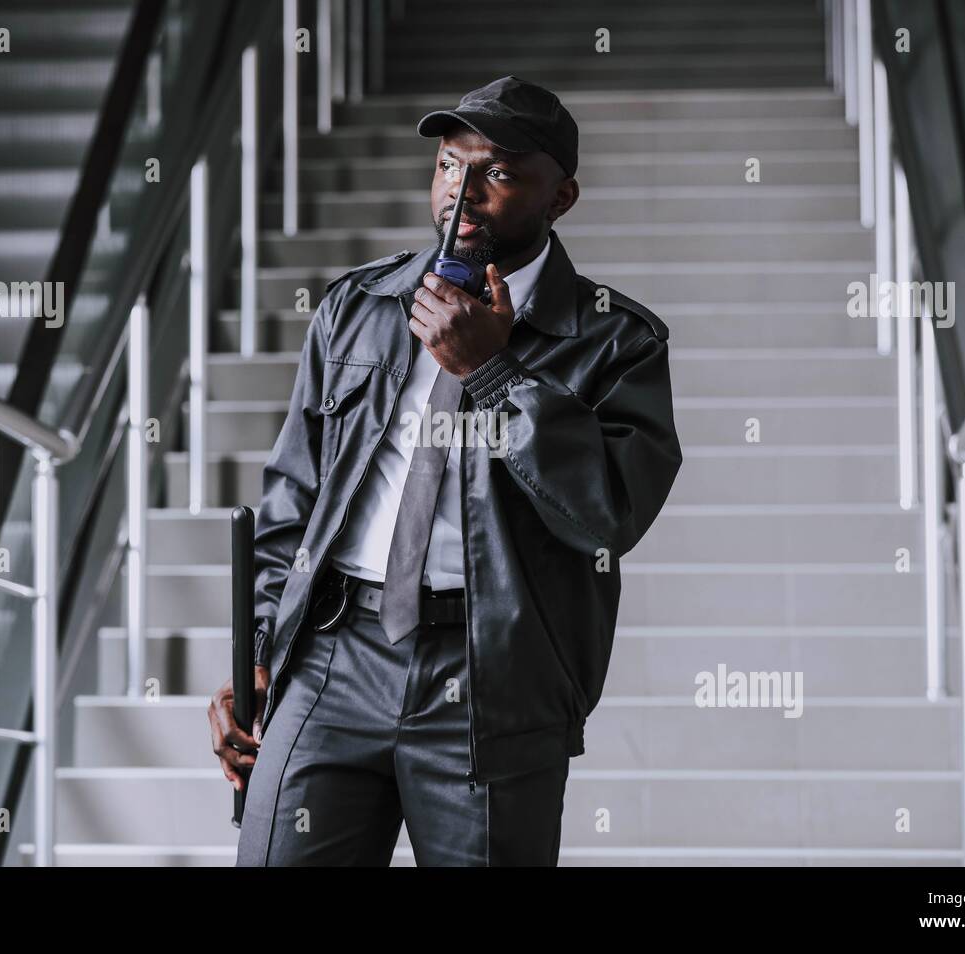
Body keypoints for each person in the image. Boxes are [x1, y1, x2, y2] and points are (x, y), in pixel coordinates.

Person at [207, 75, 681, 866]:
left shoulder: (615, 342)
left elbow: (608, 515)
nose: (462, 192)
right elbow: (293, 495)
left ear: (559, 196)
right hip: (332, 656)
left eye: (497, 173)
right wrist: (258, 650)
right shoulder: (357, 306)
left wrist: (494, 374)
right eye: (449, 166)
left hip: (492, 679)